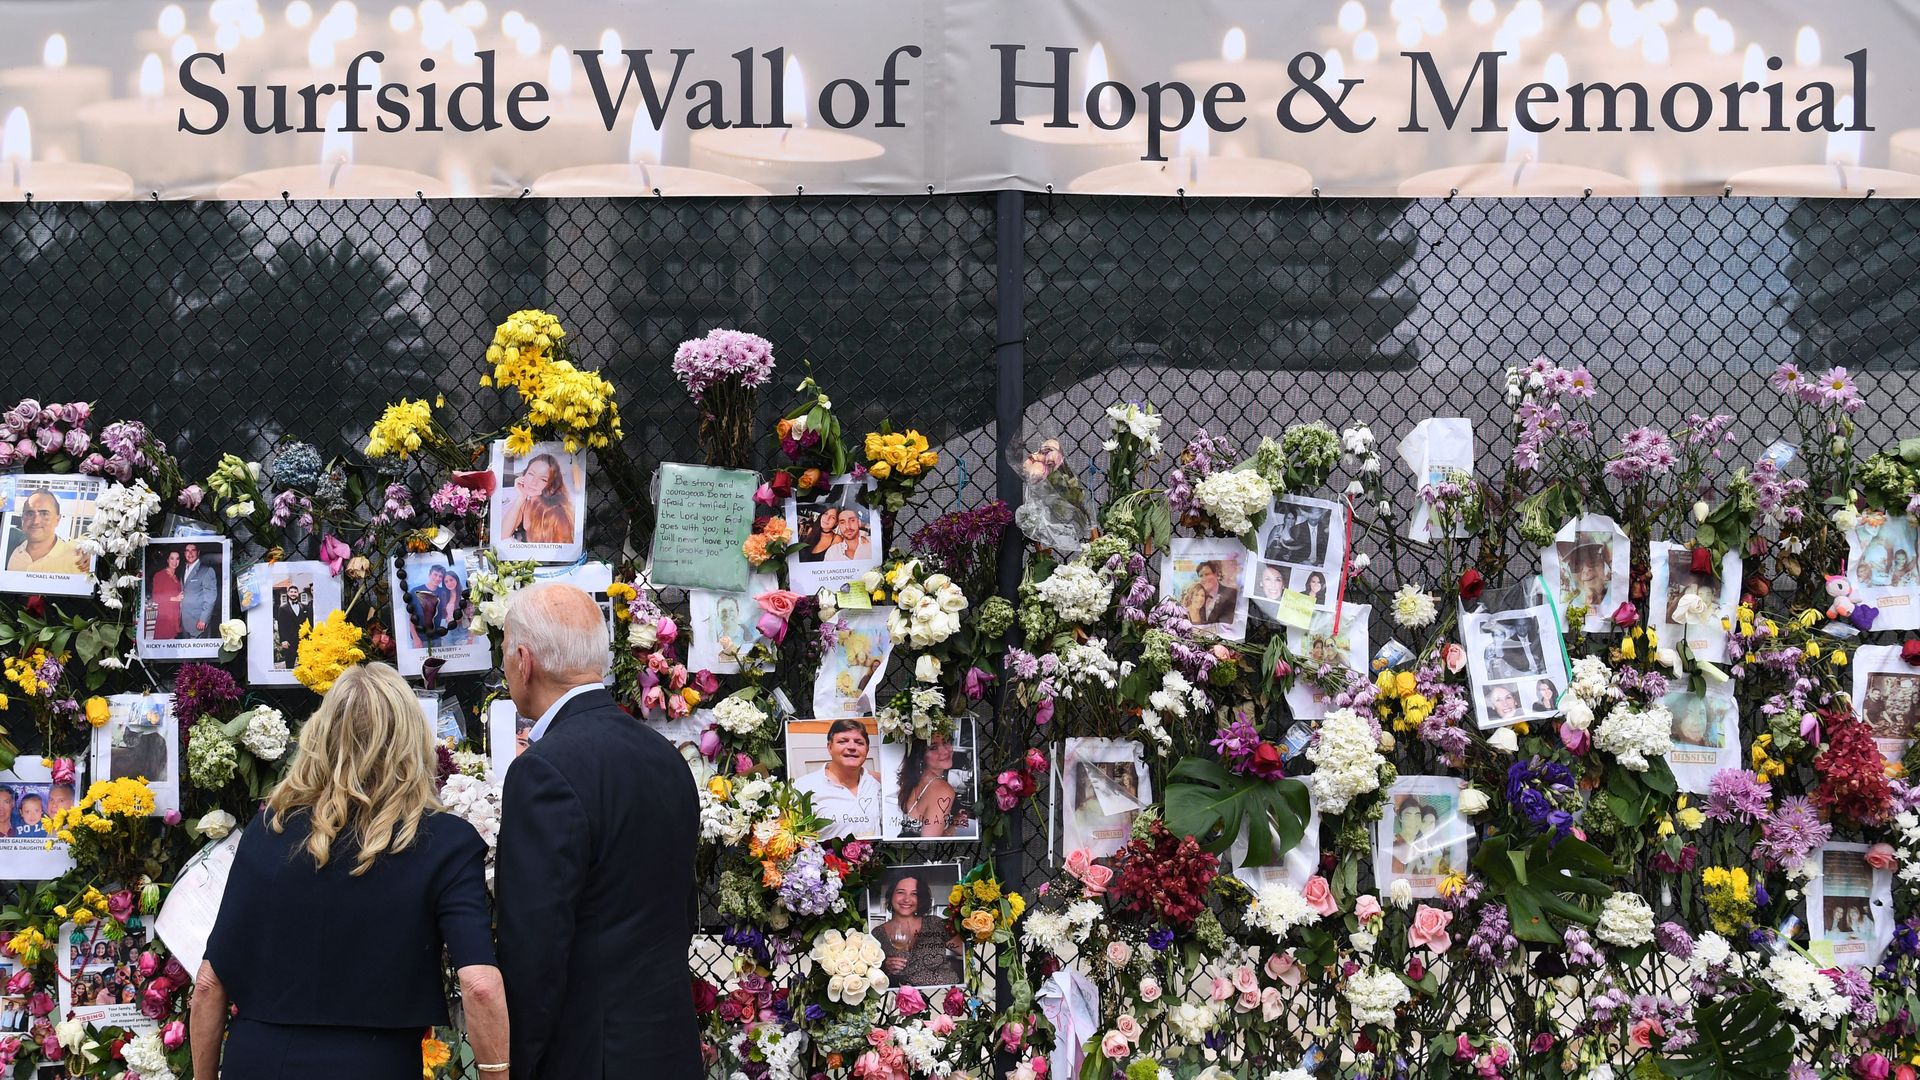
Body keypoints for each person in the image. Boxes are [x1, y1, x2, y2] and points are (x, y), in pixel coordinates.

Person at [191, 663, 507, 1080]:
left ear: (320, 736)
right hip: (376, 1063)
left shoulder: (270, 830)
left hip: (259, 1060)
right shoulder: (444, 843)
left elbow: (210, 984)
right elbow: (480, 986)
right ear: (412, 739)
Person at [495, 582, 701, 1080]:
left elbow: (533, 951)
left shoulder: (542, 770)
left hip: (587, 1054)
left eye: (502, 652)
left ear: (525, 660)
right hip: (668, 1045)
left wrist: (516, 1065)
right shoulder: (664, 757)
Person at [872, 870, 965, 988]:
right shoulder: (877, 934)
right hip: (904, 999)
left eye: (914, 894)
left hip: (945, 993)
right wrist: (885, 967)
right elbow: (872, 971)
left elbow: (966, 952)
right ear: (891, 896)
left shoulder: (935, 923)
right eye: (901, 892)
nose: (907, 899)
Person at [794, 718, 882, 840]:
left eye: (859, 742)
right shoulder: (804, 787)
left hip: (874, 857)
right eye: (843, 741)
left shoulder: (878, 784)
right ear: (830, 747)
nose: (852, 747)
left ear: (867, 750)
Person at [895, 732, 962, 839]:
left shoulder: (914, 780)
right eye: (933, 747)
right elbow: (930, 842)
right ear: (920, 755)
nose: (945, 751)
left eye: (946, 742)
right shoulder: (943, 789)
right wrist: (952, 827)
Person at [501, 453, 576, 547]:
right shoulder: (524, 503)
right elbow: (503, 536)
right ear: (524, 474)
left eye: (543, 479)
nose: (534, 482)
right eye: (531, 474)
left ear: (551, 485)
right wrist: (521, 497)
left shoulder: (555, 511)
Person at [5, 490, 86, 575]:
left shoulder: (78, 560)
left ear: (57, 520)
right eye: (30, 513)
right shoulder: (10, 547)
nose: (36, 521)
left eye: (44, 514)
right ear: (22, 518)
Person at [1182, 560, 1241, 628]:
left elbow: (1232, 622)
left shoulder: (1231, 593)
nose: (1204, 578)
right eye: (1201, 576)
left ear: (1216, 574)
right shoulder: (1200, 598)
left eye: (1207, 574)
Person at [178, 543, 218, 640]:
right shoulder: (183, 570)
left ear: (198, 552)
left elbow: (210, 598)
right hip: (184, 621)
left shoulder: (207, 571)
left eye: (193, 550)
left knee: (199, 653)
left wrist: (203, 620)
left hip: (198, 622)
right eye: (187, 550)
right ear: (184, 553)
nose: (190, 553)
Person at [150, 549, 184, 641]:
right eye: (172, 558)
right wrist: (175, 598)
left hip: (175, 618)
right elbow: (156, 597)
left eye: (177, 559)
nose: (174, 562)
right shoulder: (160, 575)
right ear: (167, 560)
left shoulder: (176, 577)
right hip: (165, 618)